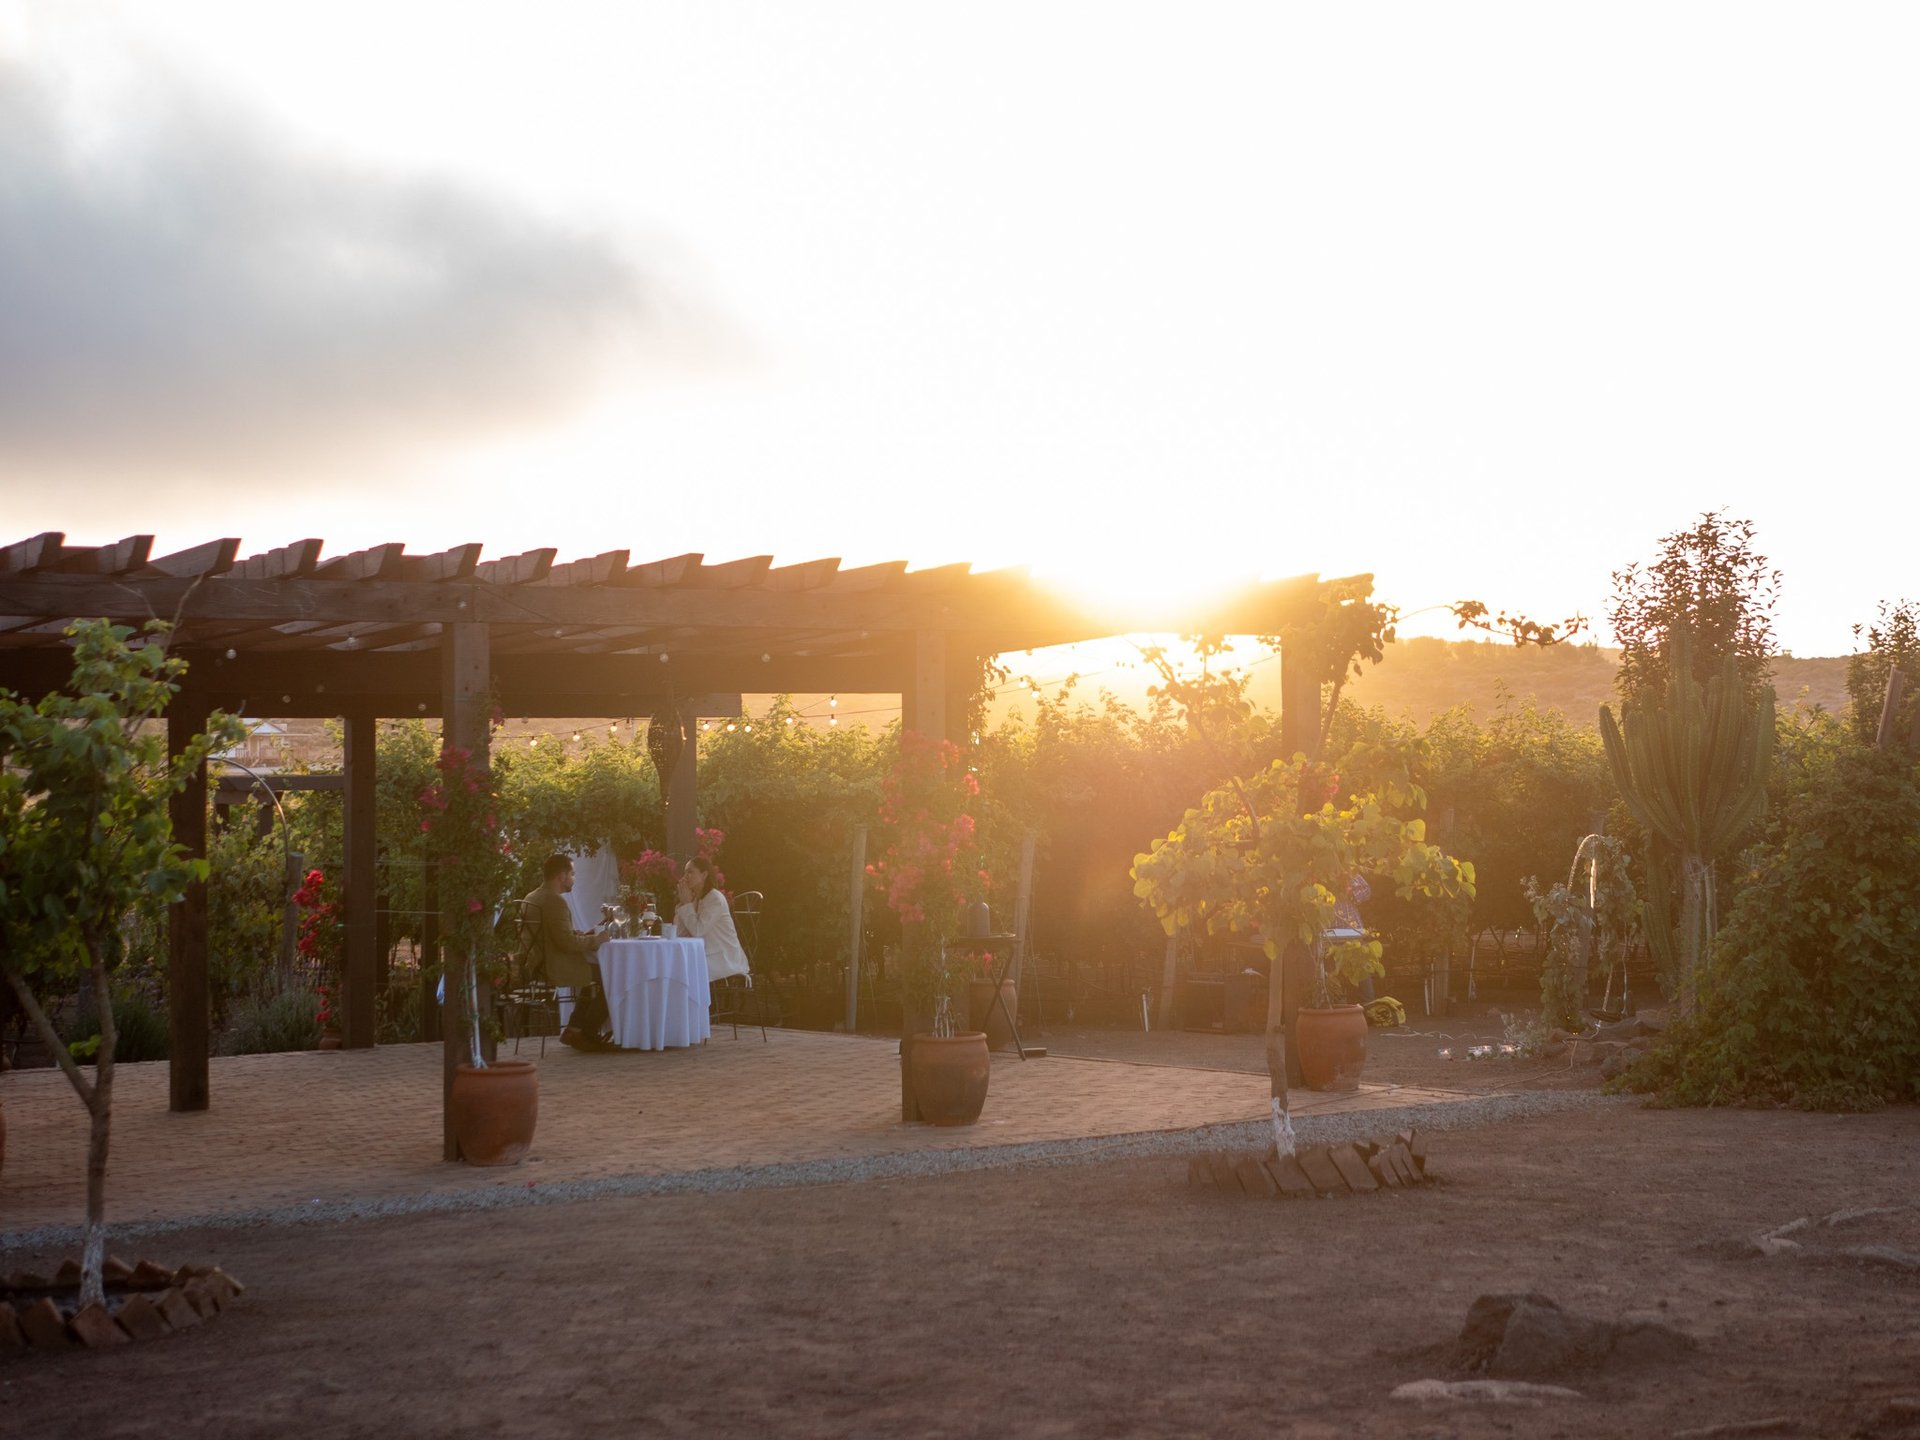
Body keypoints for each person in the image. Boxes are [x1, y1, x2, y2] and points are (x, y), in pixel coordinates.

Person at [525, 853, 615, 1050]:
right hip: (554, 965)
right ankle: (587, 1033)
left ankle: (574, 1029)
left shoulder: (532, 897)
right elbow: (566, 943)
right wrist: (596, 940)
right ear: (562, 876)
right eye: (572, 874)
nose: (574, 879)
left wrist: (578, 935)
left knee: (598, 976)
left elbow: (557, 935)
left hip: (538, 963)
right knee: (611, 977)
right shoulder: (555, 902)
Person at [672, 855, 752, 984]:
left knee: (680, 970)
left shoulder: (715, 898)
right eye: (685, 872)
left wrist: (686, 905)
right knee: (672, 966)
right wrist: (682, 904)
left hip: (723, 959)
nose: (686, 876)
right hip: (705, 956)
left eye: (690, 872)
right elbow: (679, 935)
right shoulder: (695, 900)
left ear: (704, 875)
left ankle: (693, 1004)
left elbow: (698, 931)